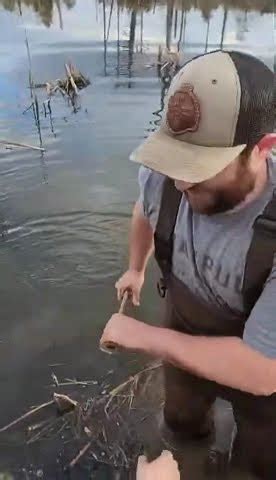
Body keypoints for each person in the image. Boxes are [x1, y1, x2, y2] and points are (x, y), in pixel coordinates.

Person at [100, 50, 276, 479]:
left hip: (261, 367)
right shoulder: (166, 177)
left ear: (262, 148)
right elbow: (146, 209)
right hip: (184, 327)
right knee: (180, 426)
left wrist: (144, 336)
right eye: (176, 161)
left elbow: (263, 371)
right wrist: (136, 268)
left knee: (258, 462)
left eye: (198, 167)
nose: (179, 181)